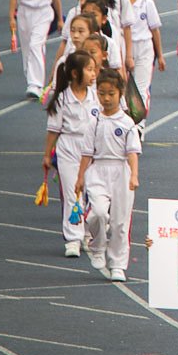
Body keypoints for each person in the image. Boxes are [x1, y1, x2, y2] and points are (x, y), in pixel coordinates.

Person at [74, 69, 140, 282]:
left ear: (120, 93)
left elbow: (132, 153)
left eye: (111, 93)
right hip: (98, 170)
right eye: (102, 93)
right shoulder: (95, 122)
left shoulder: (127, 122)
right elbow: (86, 153)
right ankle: (97, 246)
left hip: (121, 171)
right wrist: (80, 177)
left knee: (121, 221)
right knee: (99, 213)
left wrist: (134, 176)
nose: (106, 98)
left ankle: (119, 264)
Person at [43, 51, 98, 258]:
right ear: (75, 74)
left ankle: (87, 233)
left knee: (92, 192)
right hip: (68, 148)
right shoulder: (62, 99)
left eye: (95, 70)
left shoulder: (96, 97)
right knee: (71, 193)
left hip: (92, 149)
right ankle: (73, 238)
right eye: (90, 70)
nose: (94, 74)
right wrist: (47, 155)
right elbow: (53, 130)